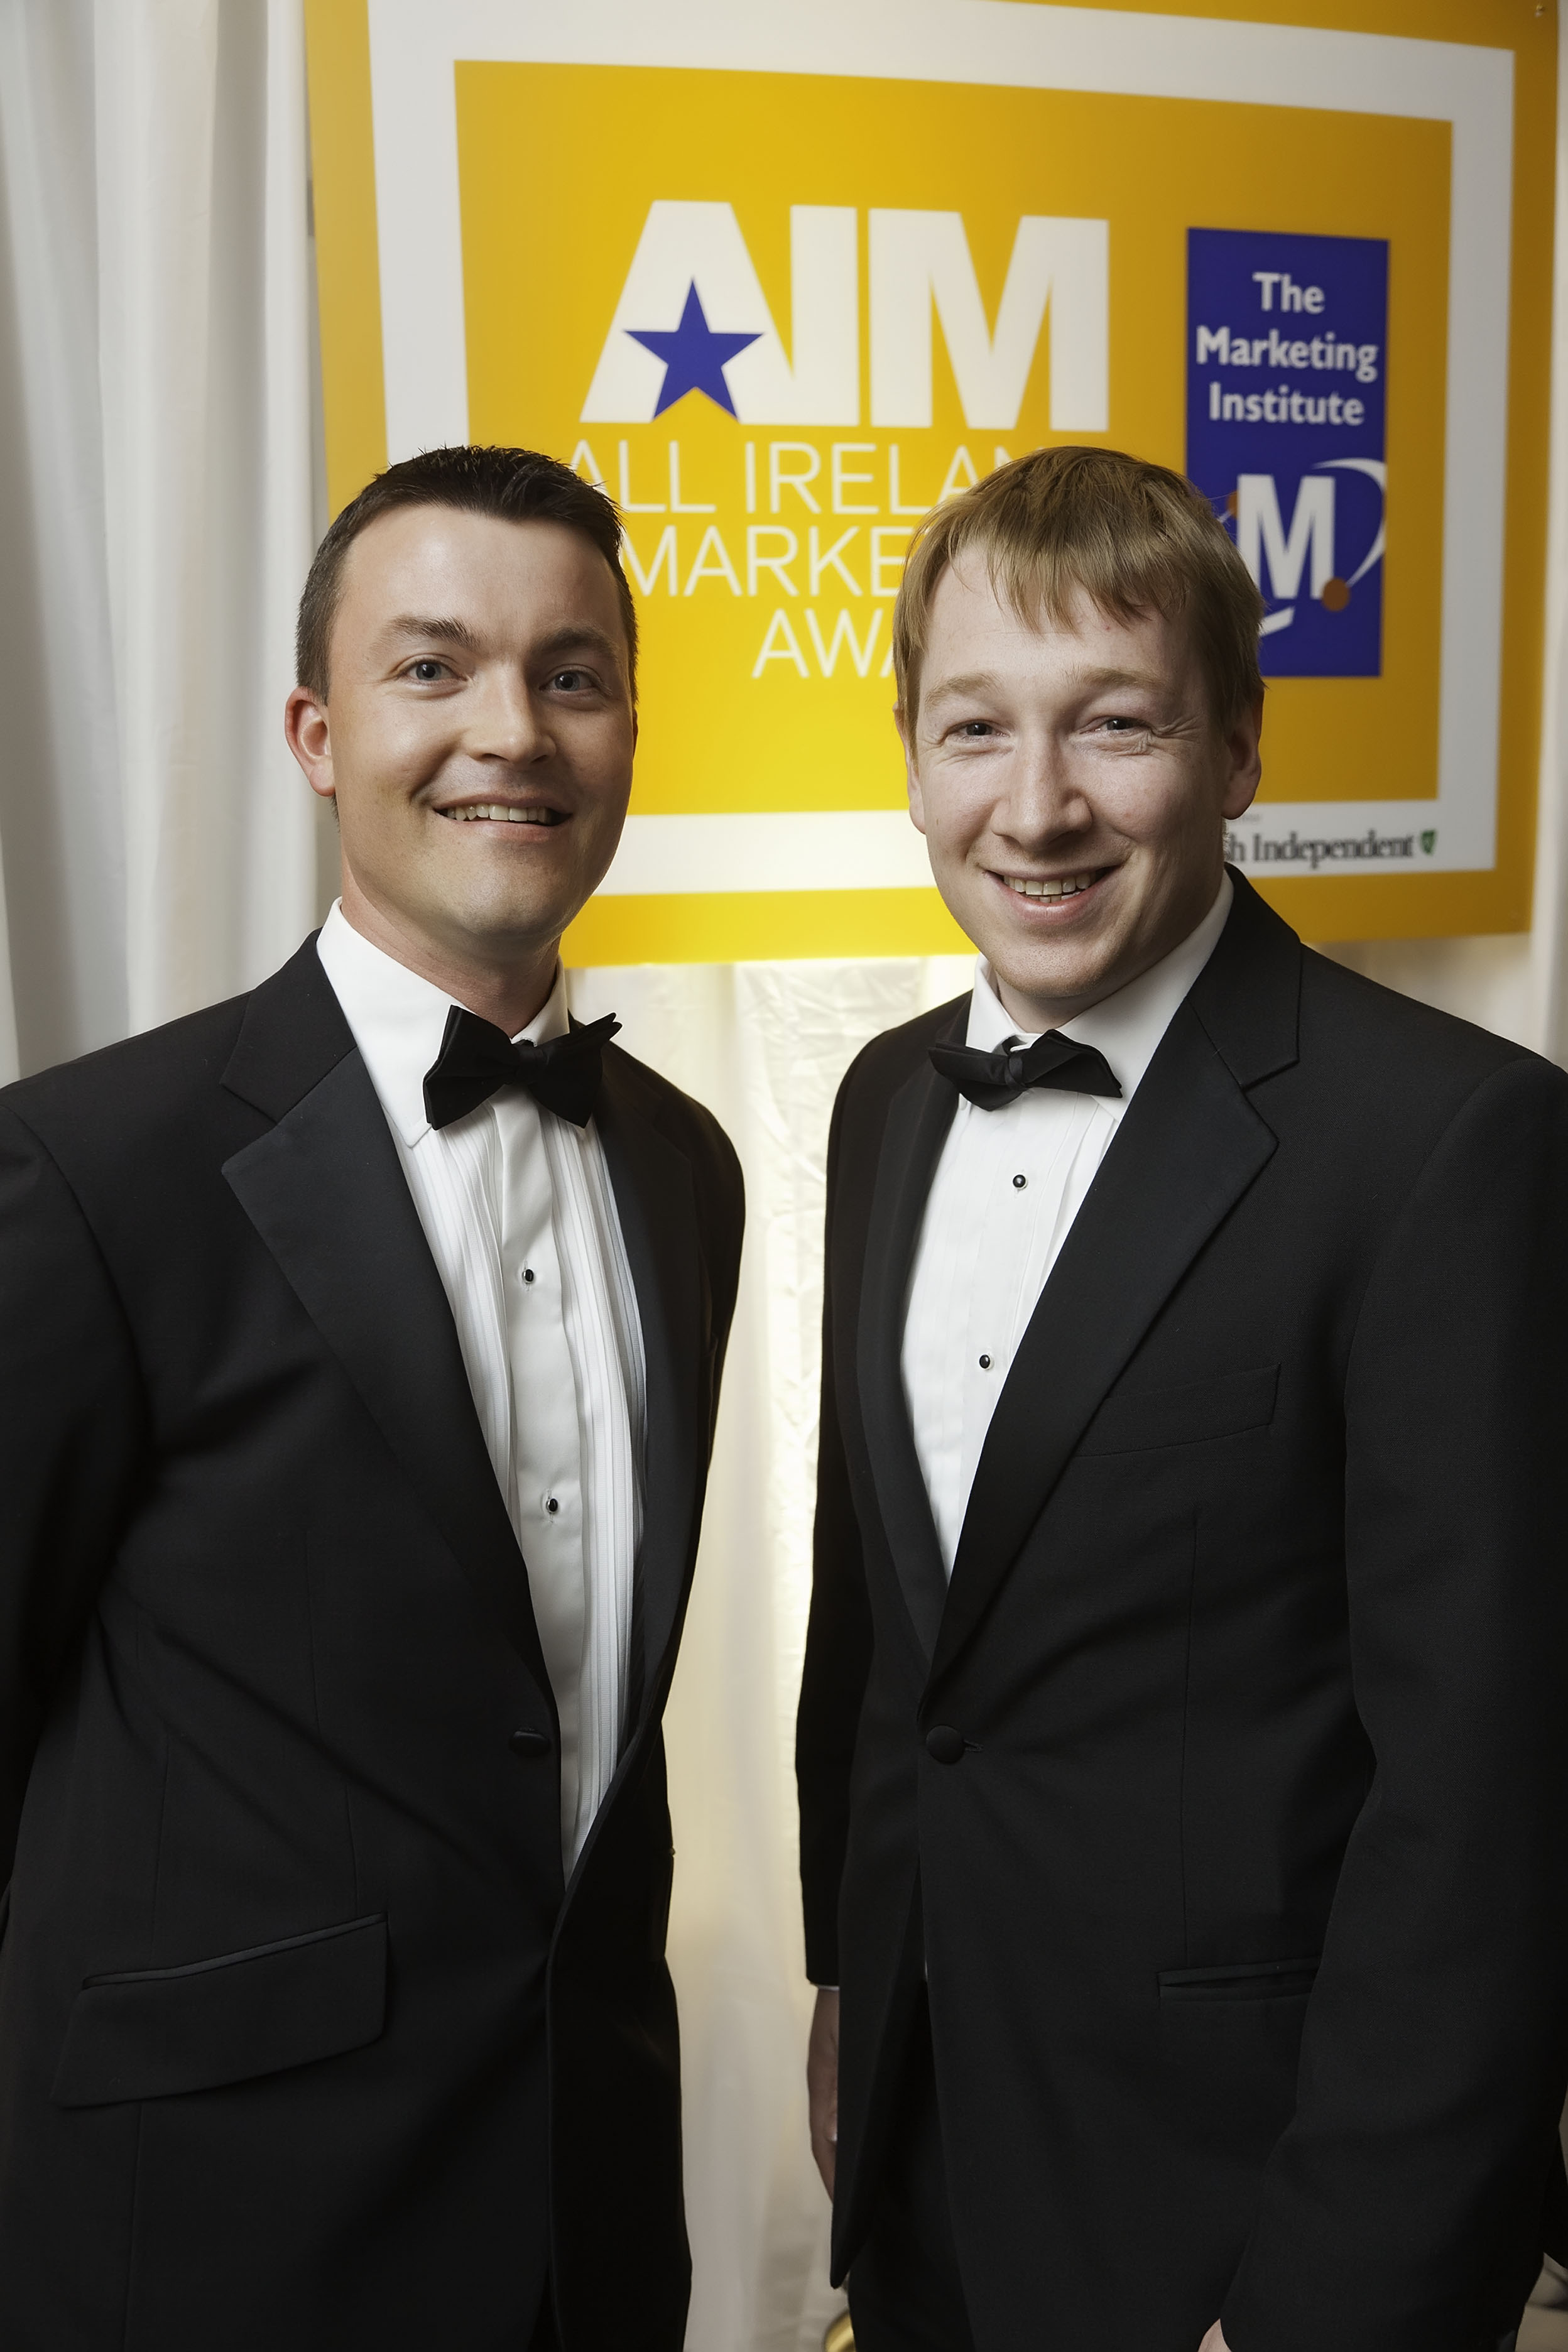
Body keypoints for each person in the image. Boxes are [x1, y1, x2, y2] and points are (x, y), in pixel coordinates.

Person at [795, 444, 1568, 2352]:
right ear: (911, 761)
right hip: (922, 2158)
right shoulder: (883, 1099)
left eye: (1116, 723)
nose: (1036, 805)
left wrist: (1335, 2301)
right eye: (977, 727)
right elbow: (878, 1629)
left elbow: (1490, 1816)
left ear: (1237, 750)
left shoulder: (1452, 1143)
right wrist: (847, 1984)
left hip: (1239, 2217)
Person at [0, 445, 743, 2351]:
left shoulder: (689, 1169)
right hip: (213, 2237)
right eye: (433, 668)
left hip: (589, 2222)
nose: (513, 731)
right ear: (317, 737)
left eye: (572, 676)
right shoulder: (91, 1171)